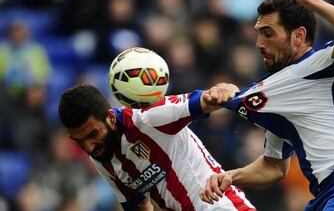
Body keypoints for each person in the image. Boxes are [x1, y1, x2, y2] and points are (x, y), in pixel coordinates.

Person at [200, 0, 334, 211]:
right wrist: (232, 176)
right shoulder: (282, 98)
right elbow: (274, 167)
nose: (259, 44)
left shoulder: (323, 62)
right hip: (328, 193)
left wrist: (309, 1)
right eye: (258, 35)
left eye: (268, 34)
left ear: (298, 36)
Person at [58, 83, 256, 211]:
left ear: (110, 117)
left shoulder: (149, 118)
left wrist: (225, 89)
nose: (89, 147)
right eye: (79, 141)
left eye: (93, 134)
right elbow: (138, 205)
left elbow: (212, 97)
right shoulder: (102, 155)